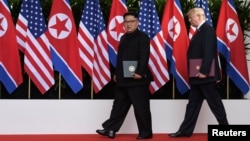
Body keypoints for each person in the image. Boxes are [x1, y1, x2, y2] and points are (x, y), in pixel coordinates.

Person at [168, 8, 229, 138]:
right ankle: (185, 130)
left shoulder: (207, 30)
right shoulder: (201, 30)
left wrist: (204, 71)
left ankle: (226, 130)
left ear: (199, 16)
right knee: (193, 104)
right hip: (197, 76)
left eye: (191, 17)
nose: (189, 20)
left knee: (215, 104)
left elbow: (208, 53)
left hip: (204, 76)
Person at [96, 11, 153, 140]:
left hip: (137, 79)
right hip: (123, 78)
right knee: (118, 106)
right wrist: (116, 73)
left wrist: (140, 72)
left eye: (131, 21)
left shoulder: (143, 37)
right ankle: (110, 129)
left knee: (140, 107)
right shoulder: (123, 37)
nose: (128, 24)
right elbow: (120, 58)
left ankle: (146, 132)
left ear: (137, 22)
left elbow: (145, 56)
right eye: (126, 22)